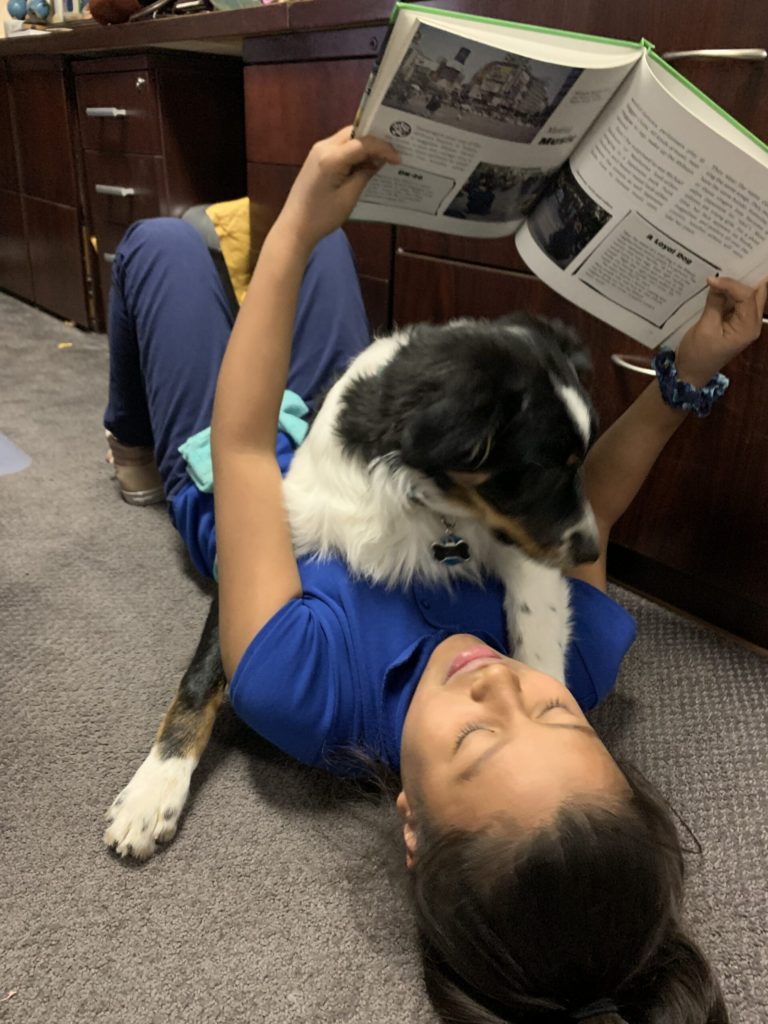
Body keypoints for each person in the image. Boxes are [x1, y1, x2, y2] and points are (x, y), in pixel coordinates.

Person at [103, 126, 767, 1024]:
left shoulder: (301, 694)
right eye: (555, 713)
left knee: (166, 247)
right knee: (329, 229)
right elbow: (590, 513)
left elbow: (249, 446)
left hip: (245, 471)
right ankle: (249, 245)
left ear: (411, 822)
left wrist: (293, 229)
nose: (501, 685)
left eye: (476, 741)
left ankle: (129, 438)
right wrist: (690, 370)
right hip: (361, 451)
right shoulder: (560, 656)